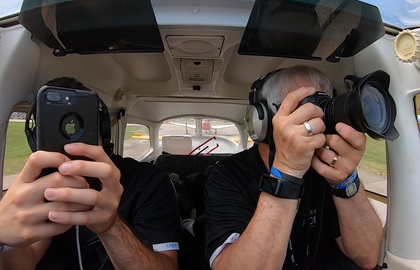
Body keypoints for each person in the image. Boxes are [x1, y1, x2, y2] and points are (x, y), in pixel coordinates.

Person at [205, 65, 383, 269]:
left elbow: (367, 257)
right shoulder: (228, 174)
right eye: (303, 107)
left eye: (321, 106)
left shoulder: (325, 170)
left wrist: (345, 179)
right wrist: (287, 171)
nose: (315, 118)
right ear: (263, 120)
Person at [0, 77, 180, 269]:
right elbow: (21, 262)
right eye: (52, 129)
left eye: (80, 124)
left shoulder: (148, 181)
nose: (68, 144)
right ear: (36, 140)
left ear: (102, 130)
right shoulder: (35, 189)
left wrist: (111, 226)